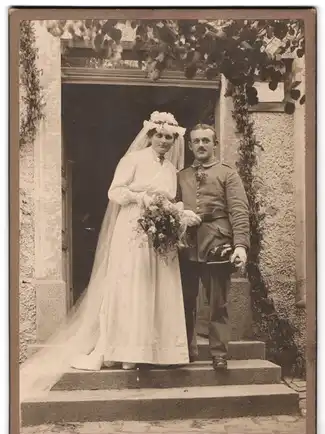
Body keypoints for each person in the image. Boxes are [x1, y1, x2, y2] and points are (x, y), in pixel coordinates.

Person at [20, 112, 200, 399]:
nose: (164, 141)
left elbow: (167, 199)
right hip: (133, 228)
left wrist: (180, 212)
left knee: (158, 286)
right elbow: (114, 192)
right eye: (160, 135)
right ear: (150, 136)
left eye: (170, 137)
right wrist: (141, 198)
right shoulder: (133, 160)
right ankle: (126, 349)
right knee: (132, 284)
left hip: (159, 232)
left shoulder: (170, 170)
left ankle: (157, 349)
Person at [177, 124, 250, 371]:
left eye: (206, 141)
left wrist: (240, 245)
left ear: (214, 144)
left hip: (216, 242)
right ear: (189, 146)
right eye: (196, 141)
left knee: (217, 302)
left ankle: (219, 353)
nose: (201, 145)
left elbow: (239, 210)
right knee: (185, 300)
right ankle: (186, 350)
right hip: (186, 244)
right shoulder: (181, 175)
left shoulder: (227, 174)